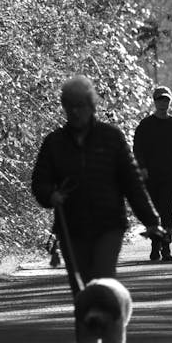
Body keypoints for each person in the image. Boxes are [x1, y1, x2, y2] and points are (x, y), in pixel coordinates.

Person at [31, 75, 163, 298]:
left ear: (92, 106)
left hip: (108, 225)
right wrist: (49, 195)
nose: (75, 112)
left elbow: (132, 183)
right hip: (71, 227)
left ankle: (110, 329)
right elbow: (39, 182)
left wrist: (151, 220)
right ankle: (88, 332)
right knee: (81, 290)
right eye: (69, 106)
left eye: (80, 105)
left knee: (103, 283)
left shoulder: (111, 137)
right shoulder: (54, 142)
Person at [133, 86, 172, 262]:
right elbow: (138, 149)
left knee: (166, 210)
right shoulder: (145, 125)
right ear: (154, 101)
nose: (163, 103)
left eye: (166, 99)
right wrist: (142, 167)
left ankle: (165, 247)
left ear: (170, 101)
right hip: (150, 175)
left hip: (170, 175)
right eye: (159, 99)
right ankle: (155, 245)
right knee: (154, 212)